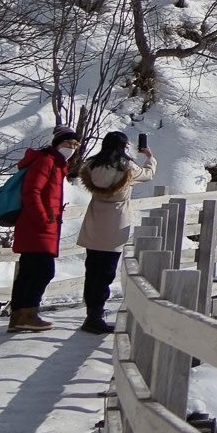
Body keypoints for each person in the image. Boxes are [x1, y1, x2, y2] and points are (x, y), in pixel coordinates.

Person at [72, 131, 155, 334]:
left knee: (92, 269)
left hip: (94, 217)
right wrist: (149, 156)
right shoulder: (126, 166)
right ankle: (95, 316)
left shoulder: (92, 164)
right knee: (106, 271)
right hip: (116, 219)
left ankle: (91, 312)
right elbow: (148, 174)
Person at [8, 126, 82, 333]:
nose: (72, 148)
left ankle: (18, 316)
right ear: (58, 143)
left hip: (40, 226)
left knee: (29, 271)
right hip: (38, 226)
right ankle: (28, 314)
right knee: (43, 271)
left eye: (75, 145)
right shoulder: (46, 161)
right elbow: (31, 191)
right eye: (69, 143)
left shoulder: (56, 165)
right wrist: (43, 218)